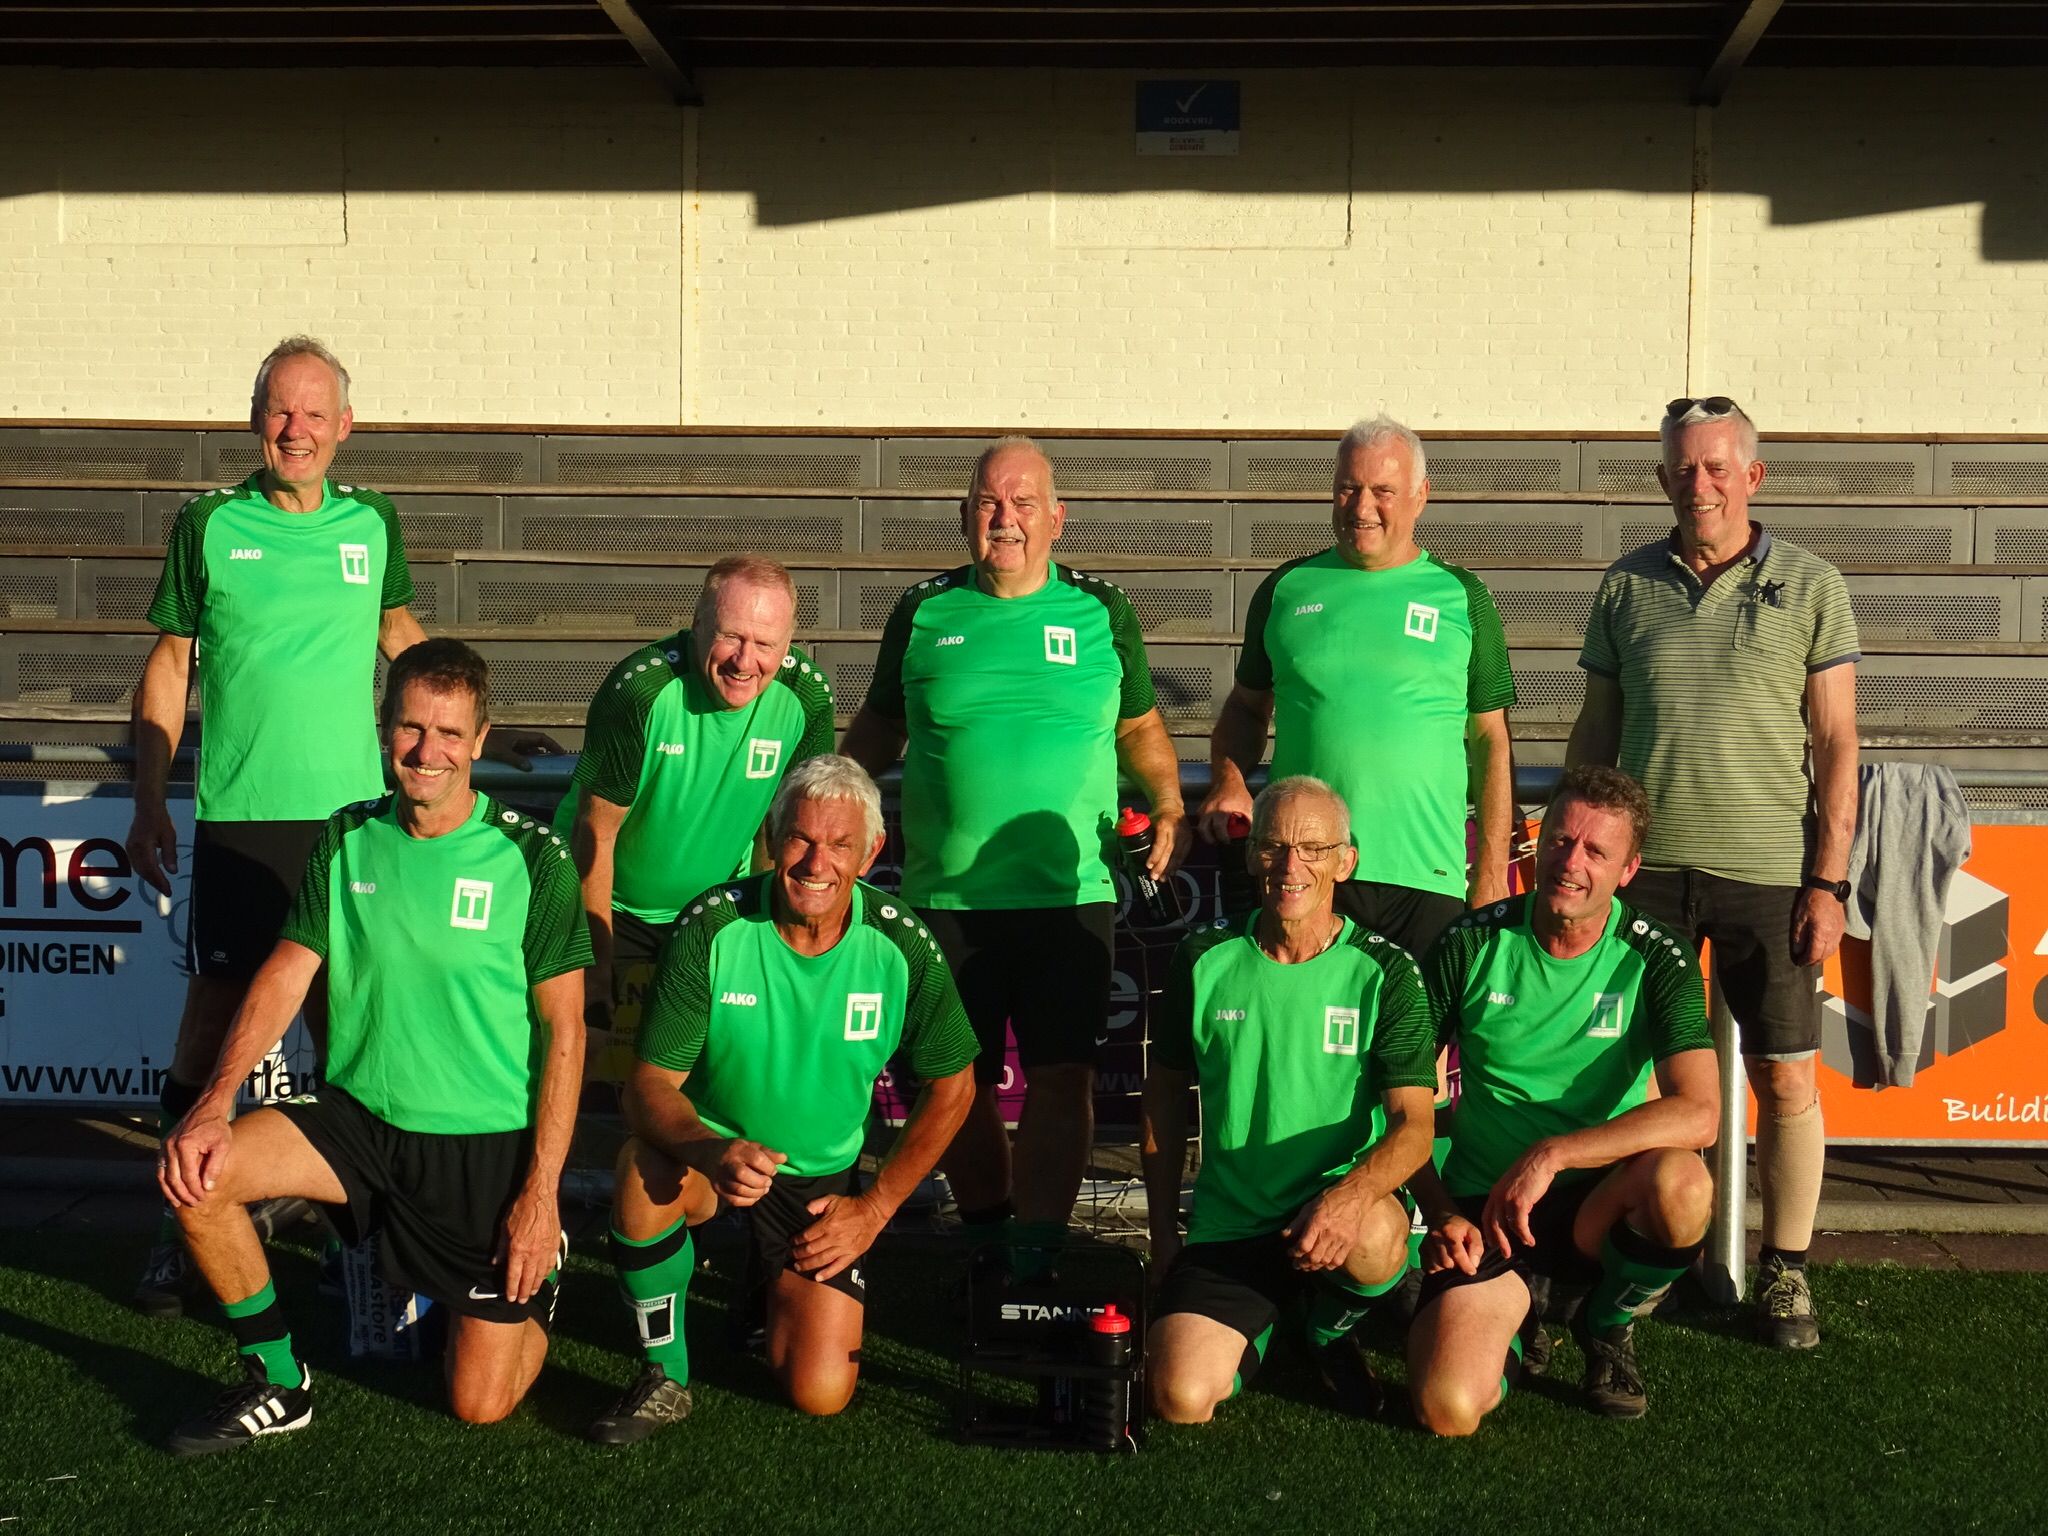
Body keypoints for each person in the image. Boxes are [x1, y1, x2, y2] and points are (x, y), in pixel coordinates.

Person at [156, 640, 590, 1454]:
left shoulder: (532, 857)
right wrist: (213, 1103)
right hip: (357, 1122)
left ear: (481, 738)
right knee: (197, 1173)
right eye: (411, 727)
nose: (428, 751)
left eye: (450, 733)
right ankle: (278, 1380)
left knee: (478, 1403)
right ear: (384, 726)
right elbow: (287, 971)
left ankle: (538, 1282)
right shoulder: (347, 835)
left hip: (479, 1149)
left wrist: (541, 1192)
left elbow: (566, 1032)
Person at [126, 336, 425, 1313]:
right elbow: (170, 662)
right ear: (256, 418)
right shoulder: (209, 523)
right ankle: (178, 1225)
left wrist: (470, 728)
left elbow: (400, 639)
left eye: (313, 413)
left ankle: (355, 1236)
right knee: (214, 1035)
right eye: (279, 410)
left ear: (346, 426)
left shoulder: (373, 521)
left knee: (349, 1031)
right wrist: (148, 800)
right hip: (242, 821)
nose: (295, 430)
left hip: (351, 826)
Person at [841, 436, 1186, 1253]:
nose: (1007, 518)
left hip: (1068, 896)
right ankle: (989, 1239)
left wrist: (1169, 801)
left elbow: (1139, 727)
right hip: (947, 896)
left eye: (1024, 503)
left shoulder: (1103, 611)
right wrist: (831, 804)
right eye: (991, 503)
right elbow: (880, 727)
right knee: (950, 1083)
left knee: (1063, 1078)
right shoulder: (922, 610)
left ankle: (1037, 1250)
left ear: (1057, 518)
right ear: (964, 514)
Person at [1566, 395, 1859, 1350]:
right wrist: (1574, 852)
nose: (1700, 484)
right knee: (1636, 1077)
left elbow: (1838, 743)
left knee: (1785, 1077)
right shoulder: (1625, 585)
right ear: (1662, 479)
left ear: (1753, 476)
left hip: (1770, 874)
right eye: (1684, 468)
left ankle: (1786, 1269)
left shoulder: (1812, 584)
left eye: (1718, 467)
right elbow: (1597, 732)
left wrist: (1829, 881)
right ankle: (1652, 1252)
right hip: (1644, 874)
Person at [588, 755, 976, 1439]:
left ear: (872, 852)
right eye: (799, 838)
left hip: (818, 1183)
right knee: (643, 1167)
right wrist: (709, 1149)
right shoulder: (713, 924)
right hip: (715, 1158)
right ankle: (664, 1375)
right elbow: (647, 1087)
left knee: (820, 1391)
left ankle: (761, 1290)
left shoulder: (901, 944)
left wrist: (875, 1208)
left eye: (840, 845)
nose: (816, 863)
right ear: (771, 836)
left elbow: (956, 1086)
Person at [1408, 765, 1718, 1432]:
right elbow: (1406, 1101)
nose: (1570, 862)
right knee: (1448, 1408)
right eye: (1559, 840)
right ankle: (1520, 1320)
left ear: (1628, 870)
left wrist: (1552, 1154)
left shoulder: (1657, 956)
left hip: (1596, 1209)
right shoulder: (1470, 941)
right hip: (1487, 1210)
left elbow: (1700, 1113)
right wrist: (1438, 1211)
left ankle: (1605, 1324)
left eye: (1596, 851)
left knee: (1683, 1184)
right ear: (1537, 841)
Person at [1142, 776, 1436, 1423]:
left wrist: (1348, 1198)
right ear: (1252, 857)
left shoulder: (1386, 971)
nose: (1290, 864)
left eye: (1313, 848)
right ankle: (1277, 1315)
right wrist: (1163, 1234)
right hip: (1232, 1225)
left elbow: (1414, 1127)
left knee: (1377, 1238)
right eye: (1273, 846)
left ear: (1345, 861)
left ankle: (1328, 1330)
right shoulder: (1204, 955)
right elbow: (1162, 1099)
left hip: (1336, 1215)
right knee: (1179, 1398)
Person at [1201, 415, 1516, 960]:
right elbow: (1247, 709)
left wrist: (1489, 875)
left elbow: (1491, 740)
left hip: (1426, 876)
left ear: (1421, 496)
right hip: (1307, 873)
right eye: (1349, 488)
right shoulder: (1285, 589)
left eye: (1383, 491)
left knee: (1424, 1021)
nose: (1362, 507)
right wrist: (1228, 780)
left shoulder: (1462, 596)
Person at [559, 555, 834, 1071]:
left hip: (711, 909)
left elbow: (779, 835)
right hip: (608, 905)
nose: (744, 661)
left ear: (789, 643)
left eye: (765, 644)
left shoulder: (807, 697)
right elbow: (595, 831)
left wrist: (760, 941)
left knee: (713, 1068)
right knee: (584, 1053)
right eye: (730, 636)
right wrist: (595, 972)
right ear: (697, 625)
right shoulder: (641, 690)